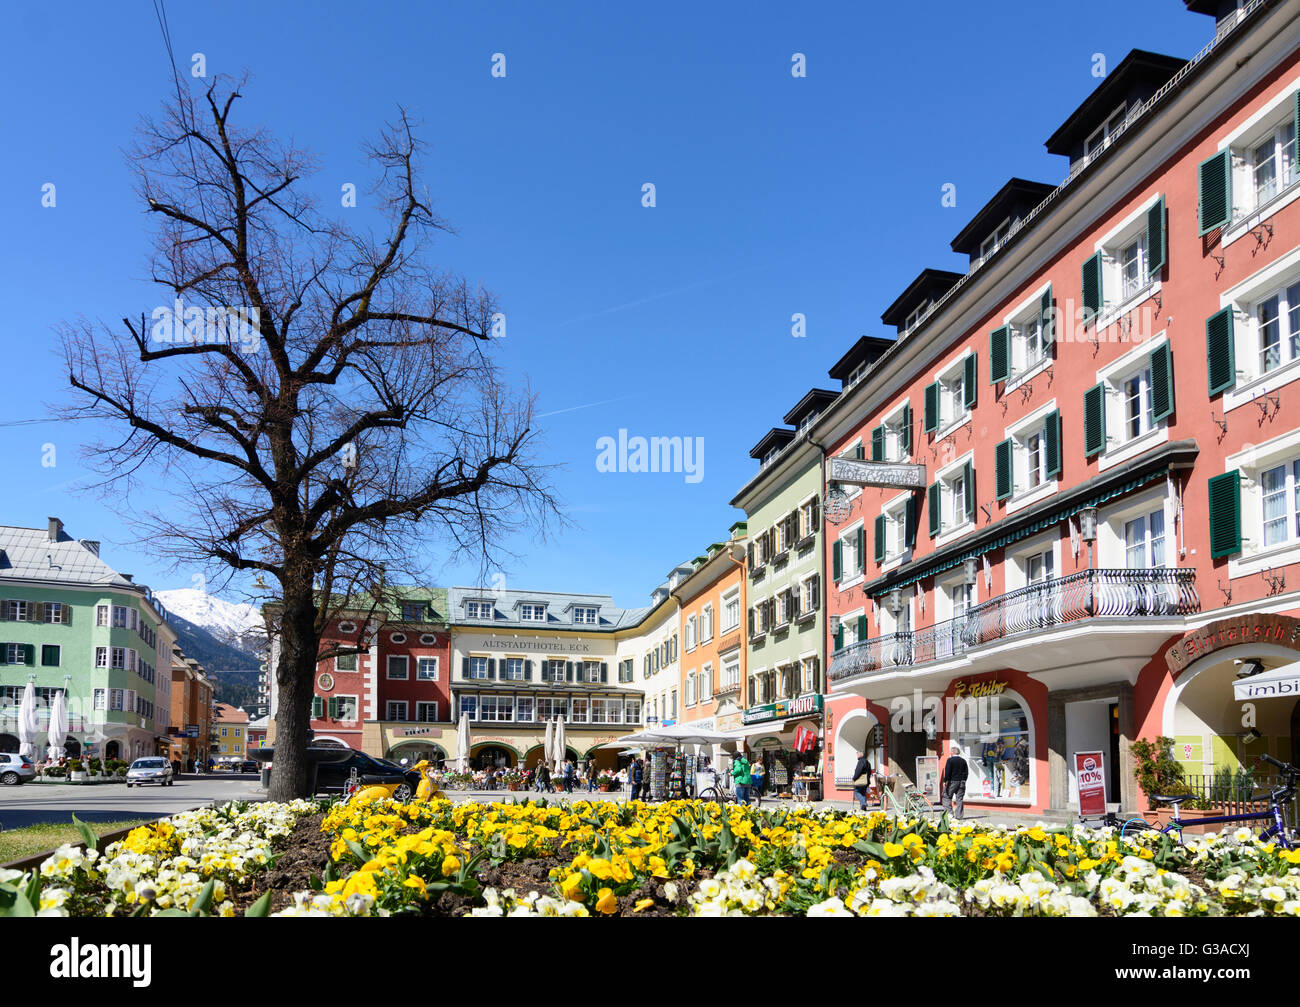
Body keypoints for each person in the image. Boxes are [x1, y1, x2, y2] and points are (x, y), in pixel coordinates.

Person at [941, 745, 968, 818]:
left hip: (952, 781)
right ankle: (959, 816)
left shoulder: (950, 760)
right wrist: (963, 780)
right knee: (959, 799)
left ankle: (949, 815)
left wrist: (945, 781)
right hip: (961, 782)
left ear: (952, 752)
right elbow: (966, 772)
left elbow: (948, 772)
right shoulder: (963, 761)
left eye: (950, 751)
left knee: (946, 797)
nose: (950, 752)